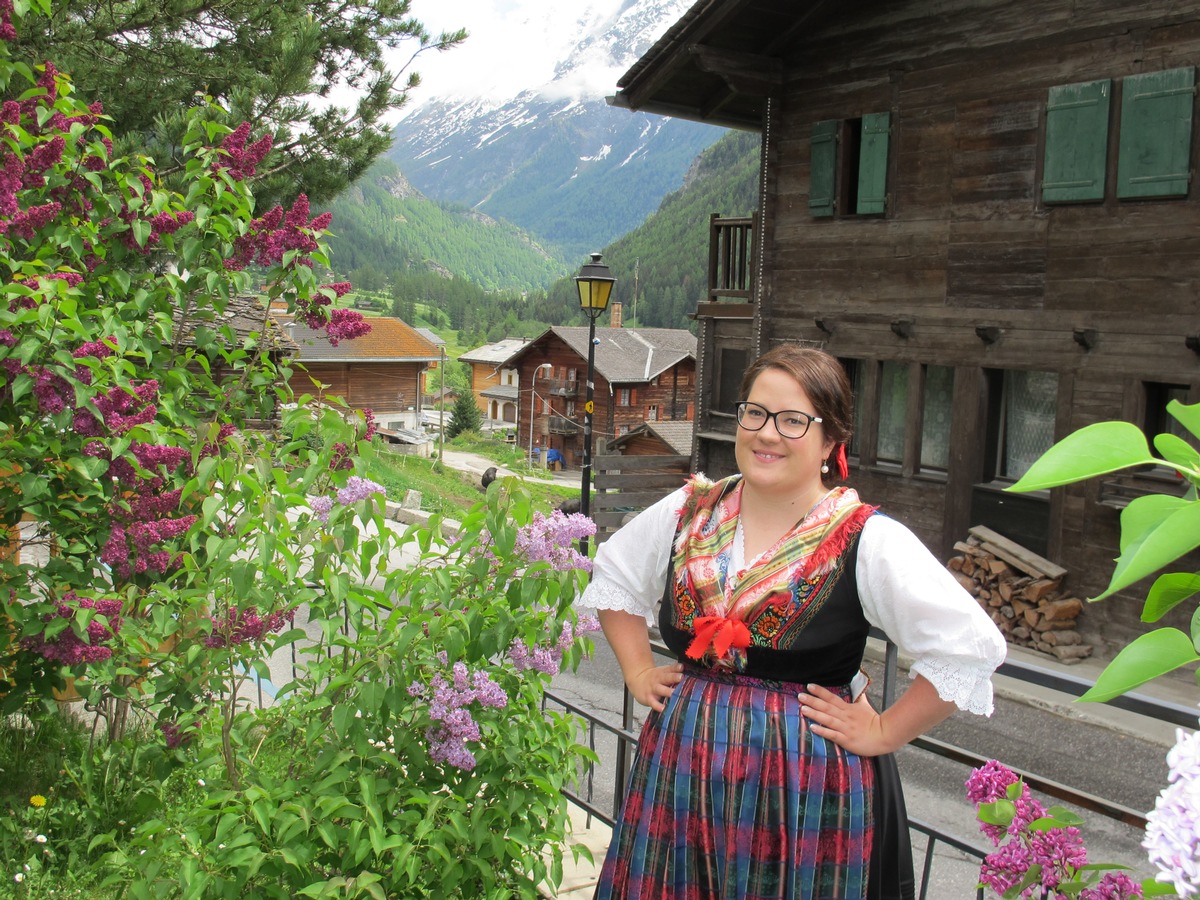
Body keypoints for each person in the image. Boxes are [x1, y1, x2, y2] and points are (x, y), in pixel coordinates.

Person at [576, 344, 1006, 900]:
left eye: (792, 420)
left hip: (800, 784)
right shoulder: (690, 511)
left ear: (831, 441)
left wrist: (882, 730)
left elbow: (967, 648)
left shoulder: (865, 539)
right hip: (681, 763)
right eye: (754, 413)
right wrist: (637, 671)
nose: (766, 433)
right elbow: (615, 573)